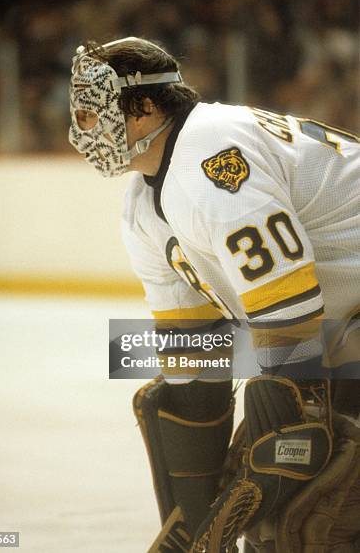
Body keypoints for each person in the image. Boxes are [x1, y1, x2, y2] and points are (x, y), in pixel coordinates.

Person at [68, 37, 360, 552]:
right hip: (344, 324)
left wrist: (297, 416)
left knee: (312, 515)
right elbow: (193, 353)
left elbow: (287, 305)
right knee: (176, 412)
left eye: (92, 114)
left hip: (339, 324)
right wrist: (198, 518)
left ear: (143, 109)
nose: (79, 131)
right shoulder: (142, 205)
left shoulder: (213, 156)